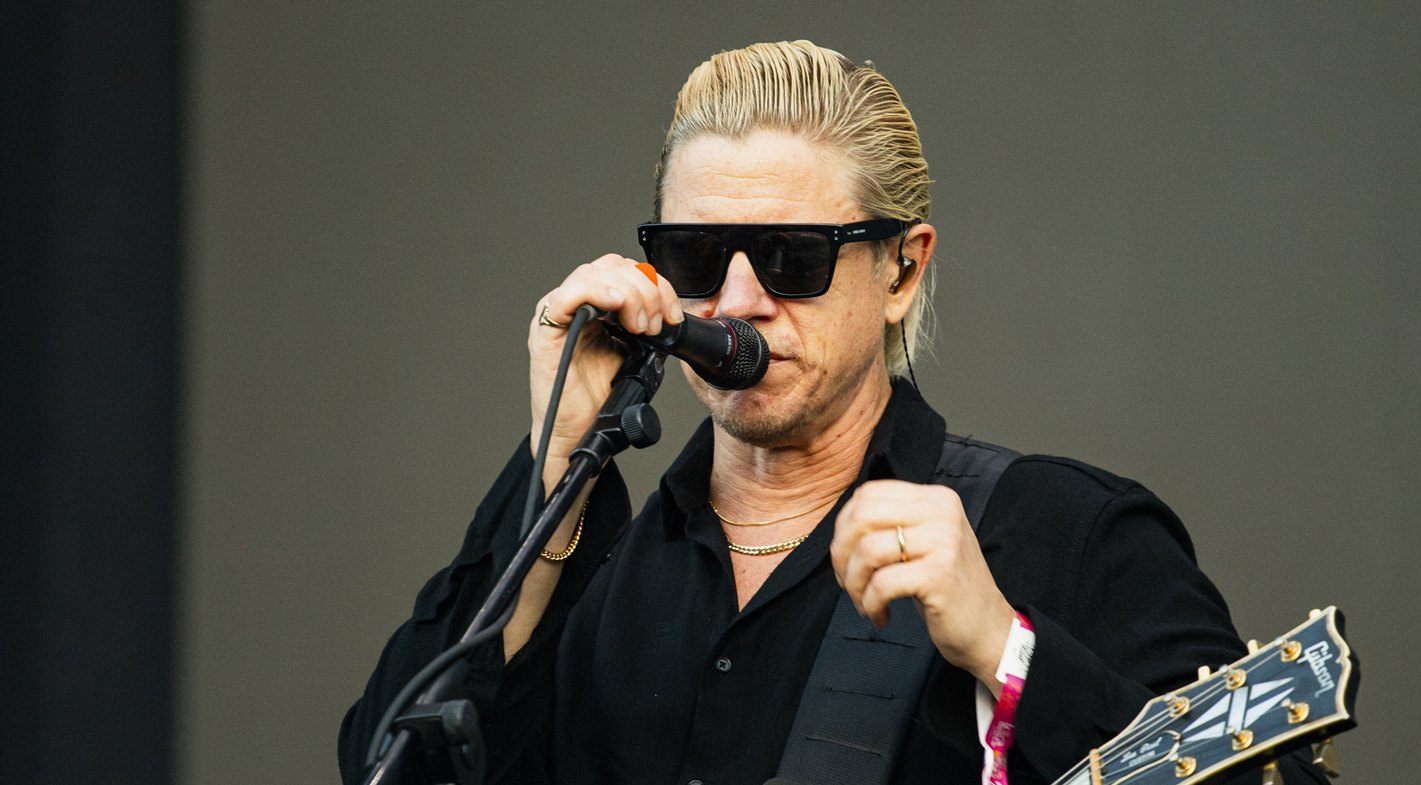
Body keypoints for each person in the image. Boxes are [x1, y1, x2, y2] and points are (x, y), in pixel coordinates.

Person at [339, 41, 1331, 785]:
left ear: (902, 270)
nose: (737, 301)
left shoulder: (1067, 536)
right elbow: (388, 761)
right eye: (696, 257)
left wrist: (1007, 648)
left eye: (792, 257)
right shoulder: (584, 574)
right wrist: (557, 462)